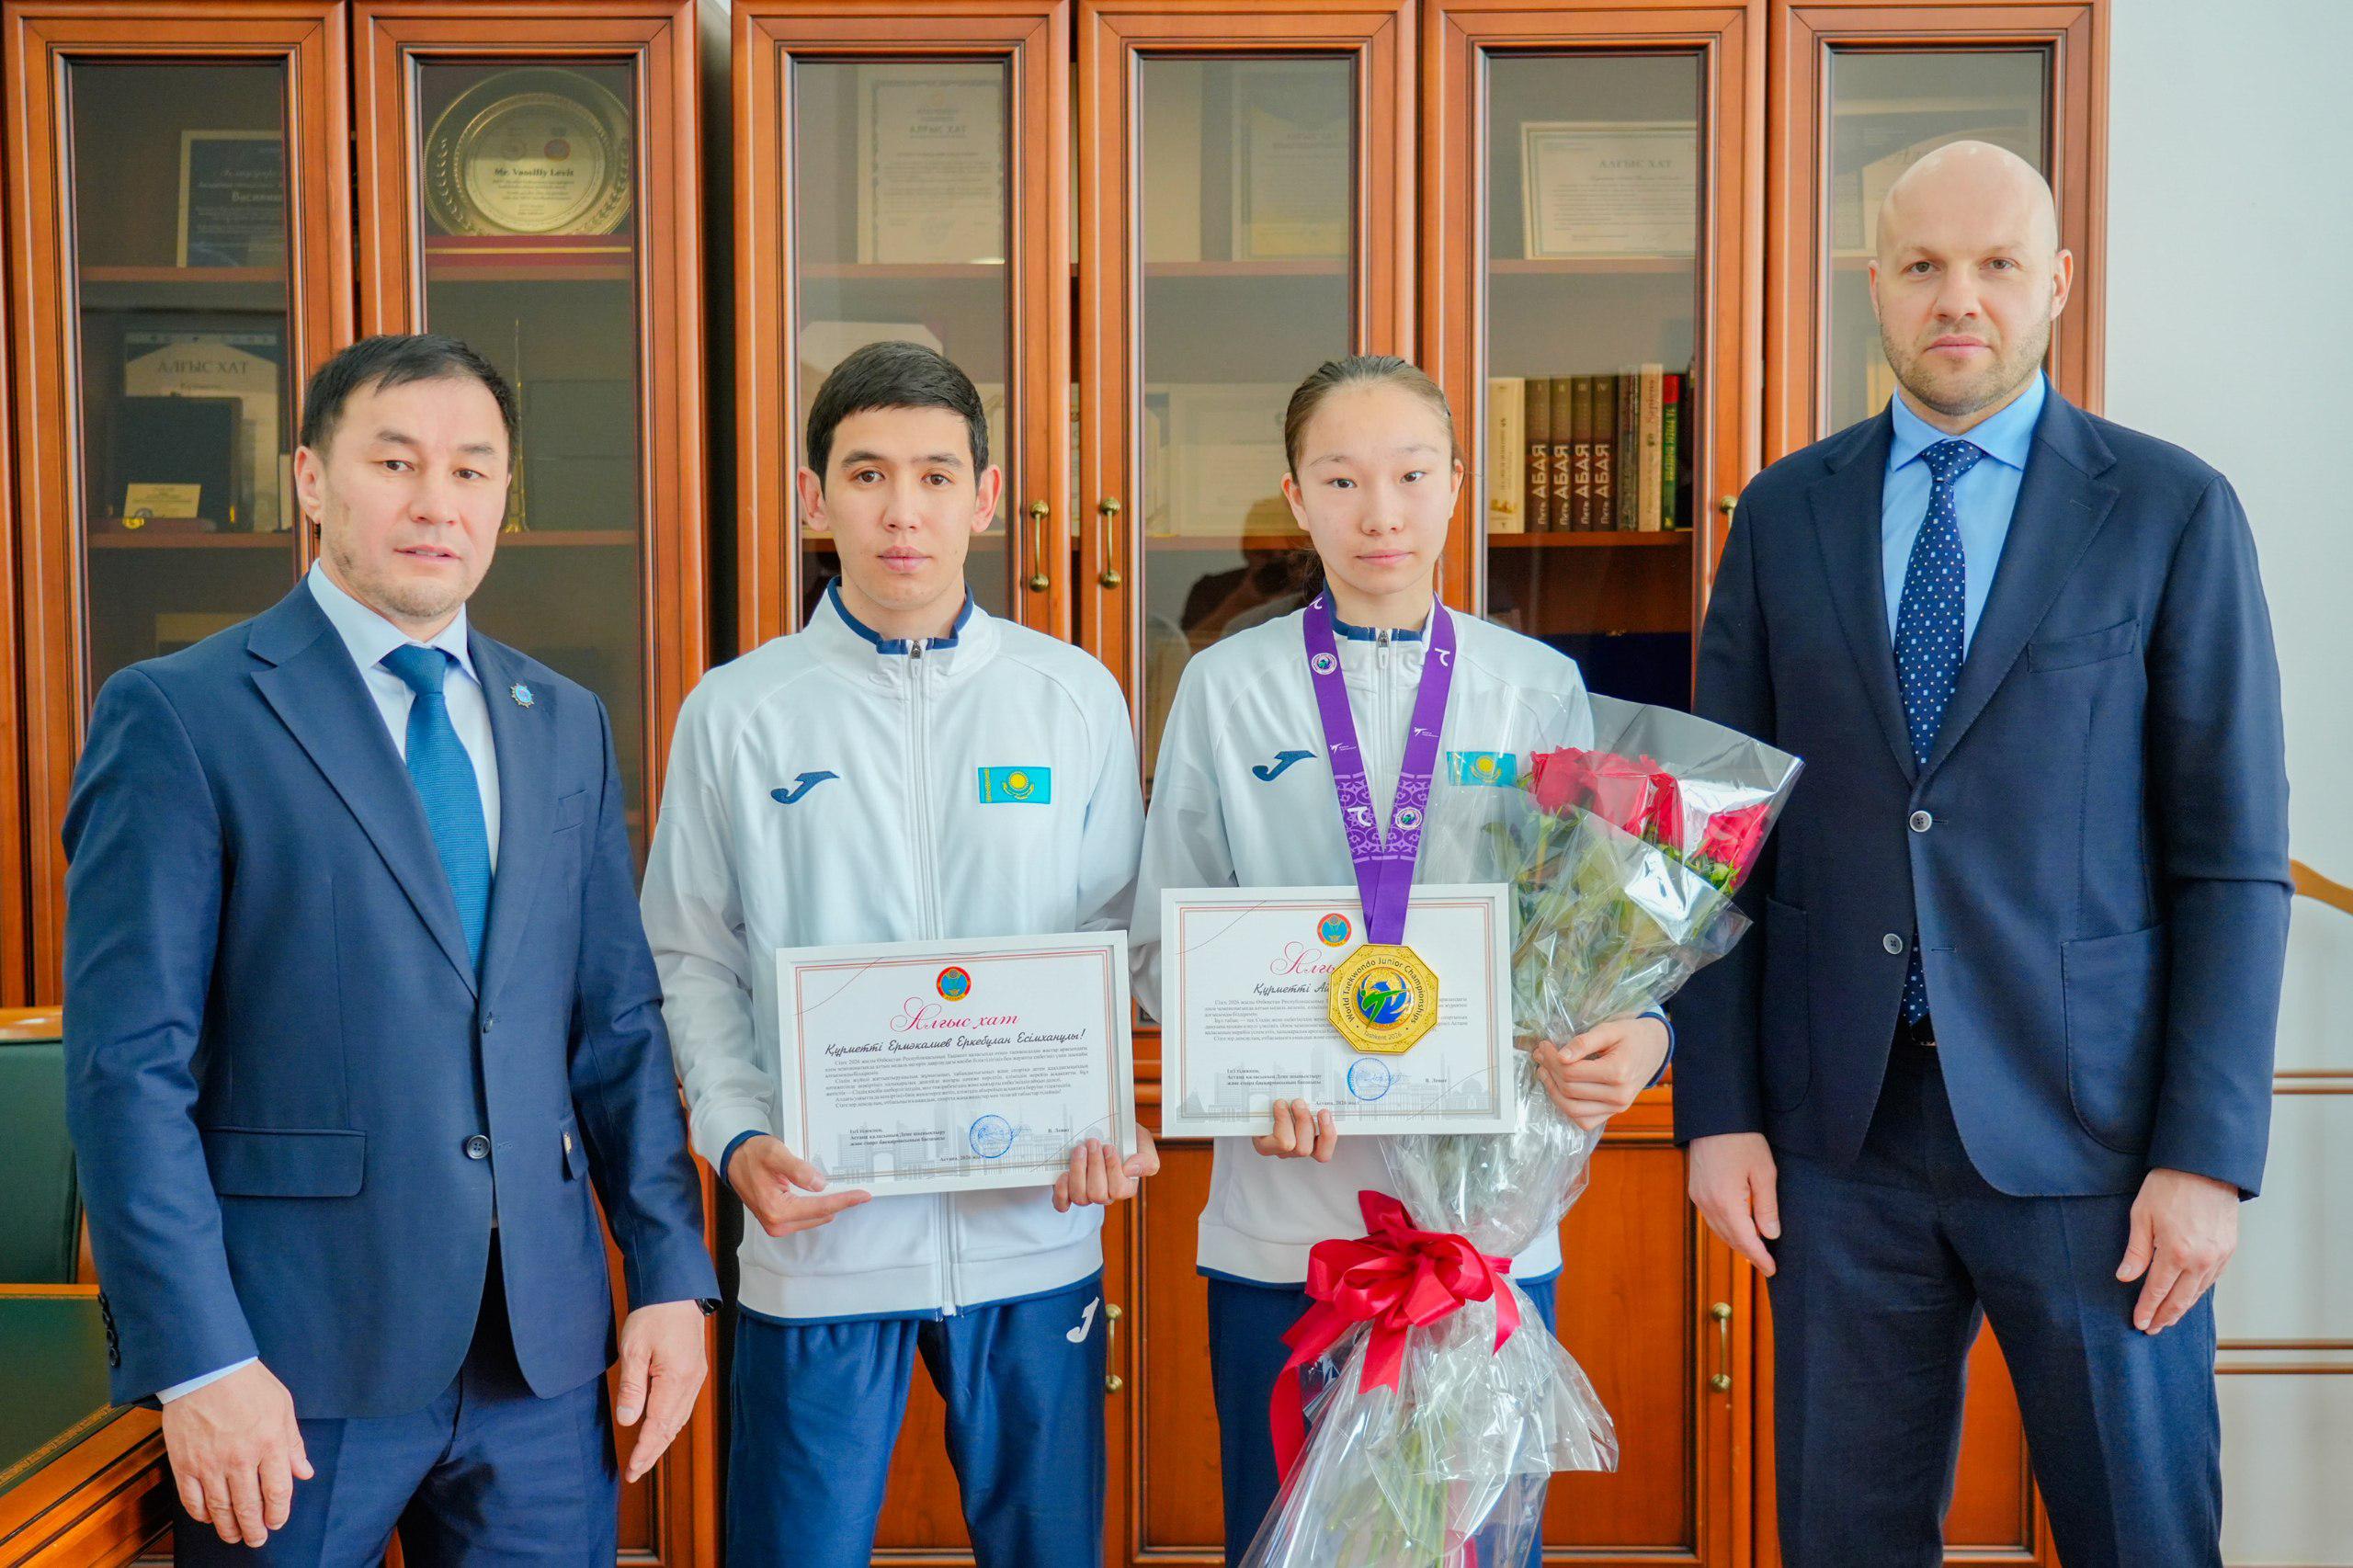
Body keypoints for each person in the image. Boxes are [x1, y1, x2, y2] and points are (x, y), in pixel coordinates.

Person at [1674, 142, 2290, 1566]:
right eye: (1923, 265)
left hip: (2099, 1145)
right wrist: (1719, 1111)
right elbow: (1713, 850)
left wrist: (2206, 1155)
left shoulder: (2168, 508)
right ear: (1874, 286)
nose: (1961, 297)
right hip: (1838, 1137)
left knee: (2142, 1532)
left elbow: (2231, 858)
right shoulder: (1783, 516)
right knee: (1844, 1536)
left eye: (1998, 264)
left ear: (2056, 284)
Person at [62, 333, 720, 1564]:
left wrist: (672, 1277)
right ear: (311, 479)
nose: (437, 501)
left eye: (474, 470)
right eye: (396, 460)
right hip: (290, 1362)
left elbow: (616, 1025)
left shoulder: (561, 719)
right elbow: (125, 1069)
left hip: (540, 1354)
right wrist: (201, 1355)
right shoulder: (183, 712)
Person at [1130, 354, 1673, 1563]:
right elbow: (1161, 949)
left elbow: (1590, 946)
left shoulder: (1537, 687)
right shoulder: (1224, 689)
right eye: (1343, 477)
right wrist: (1244, 1055)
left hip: (1487, 1239)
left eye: (1412, 475)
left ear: (1455, 487)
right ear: (1297, 496)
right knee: (1288, 1547)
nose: (1380, 511)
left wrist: (1642, 1032)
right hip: (1288, 1229)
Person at [640, 339, 1154, 1568]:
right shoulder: (737, 710)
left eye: (934, 475)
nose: (901, 510)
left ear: (985, 497)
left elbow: (1117, 943)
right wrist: (736, 1134)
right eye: (866, 475)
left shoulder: (1071, 695)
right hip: (819, 1231)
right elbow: (691, 954)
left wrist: (1113, 1119)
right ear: (814, 497)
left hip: (1036, 1231)